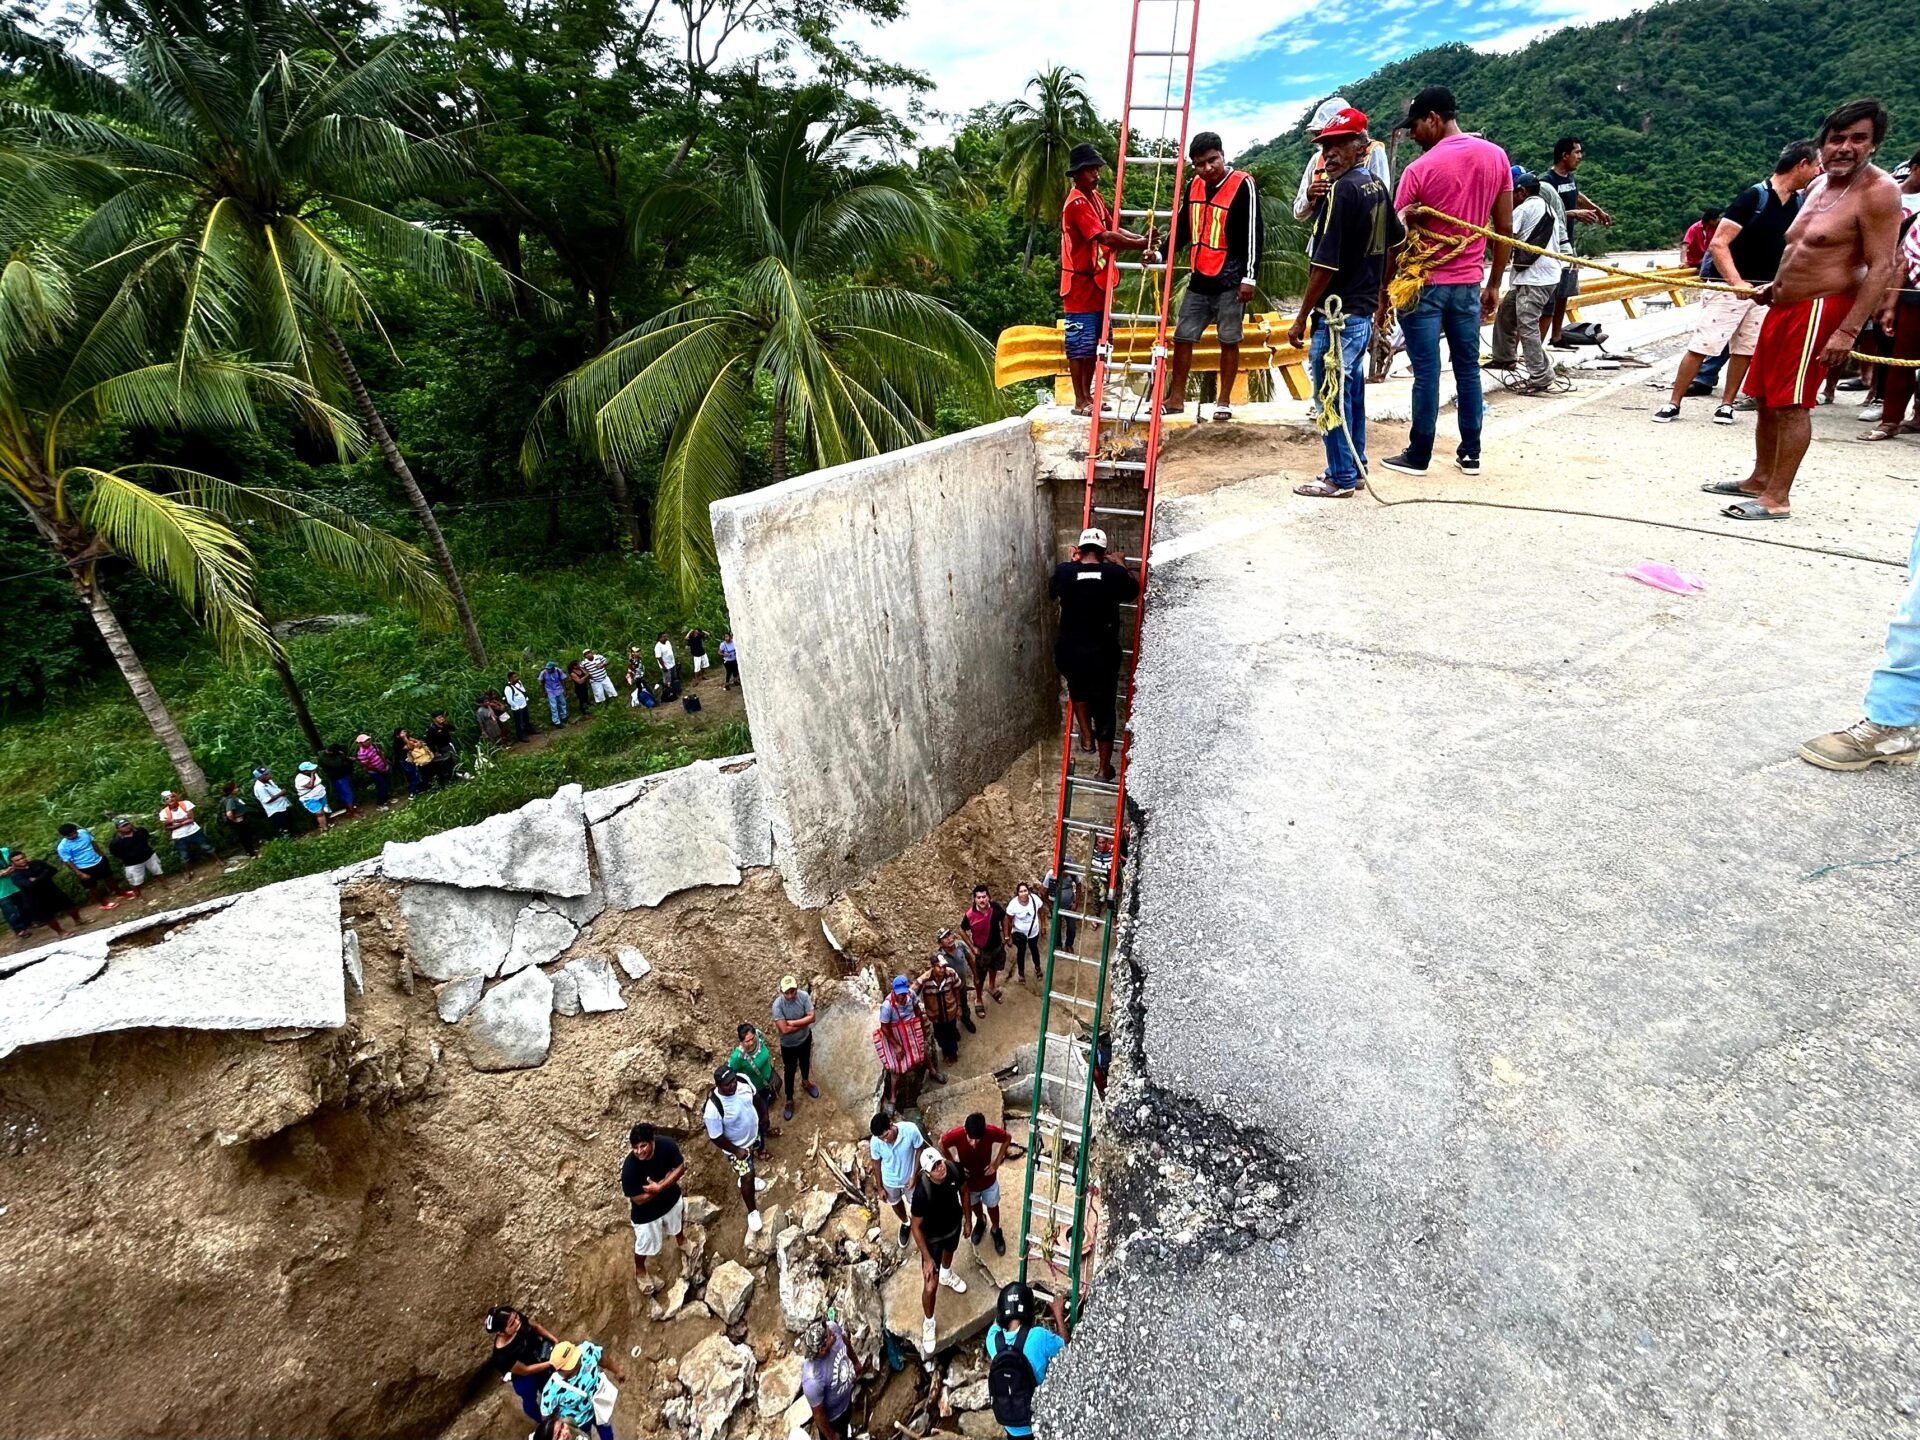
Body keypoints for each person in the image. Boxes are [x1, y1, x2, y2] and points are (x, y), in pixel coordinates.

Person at [1708, 100, 1902, 521]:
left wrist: (1848, 331)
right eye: (1836, 139)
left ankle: (1777, 498)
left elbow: (1882, 265)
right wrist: (1772, 290)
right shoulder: (1816, 187)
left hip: (1820, 309)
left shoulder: (1879, 191)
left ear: (1874, 144)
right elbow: (1798, 252)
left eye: (1858, 139)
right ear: (1822, 144)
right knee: (1763, 396)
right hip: (1783, 304)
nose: (1845, 147)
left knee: (1793, 403)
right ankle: (1759, 478)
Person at [1379, 85, 1512, 478]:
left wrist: (1383, 296)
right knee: (1467, 368)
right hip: (1469, 284)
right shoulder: (1496, 157)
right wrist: (1493, 284)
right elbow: (1503, 229)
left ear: (1433, 119)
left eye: (1416, 126)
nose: (1414, 135)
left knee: (1427, 371)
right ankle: (1470, 452)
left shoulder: (1419, 170)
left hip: (1422, 286)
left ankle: (1418, 455)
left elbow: (1395, 241)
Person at [1657, 142, 1820, 425]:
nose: (1819, 172)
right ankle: (1674, 401)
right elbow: (1719, 243)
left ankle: (1727, 404)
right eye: (1817, 165)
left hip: (1764, 289)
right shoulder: (1753, 197)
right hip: (1730, 286)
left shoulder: (1797, 203)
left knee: (1745, 349)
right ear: (1802, 164)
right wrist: (1736, 282)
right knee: (1703, 343)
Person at [1288, 106, 1405, 497]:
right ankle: (1355, 465)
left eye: (1339, 145)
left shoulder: (1343, 191)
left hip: (1336, 313)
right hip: (1362, 308)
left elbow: (1323, 262)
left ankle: (1339, 476)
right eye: (1326, 147)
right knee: (1351, 391)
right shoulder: (1376, 185)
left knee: (1328, 393)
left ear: (1360, 146)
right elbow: (1395, 243)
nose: (1330, 154)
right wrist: (1379, 294)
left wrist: (1301, 316)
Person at [1168, 131, 1263, 421]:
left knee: (1229, 338)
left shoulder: (1242, 184)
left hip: (1231, 278)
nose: (1207, 168)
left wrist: (1250, 277)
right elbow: (1183, 227)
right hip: (1200, 276)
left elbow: (1253, 232)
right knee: (1183, 336)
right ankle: (1176, 397)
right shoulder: (1193, 186)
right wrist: (1161, 253)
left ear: (1222, 155)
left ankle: (1223, 401)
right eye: (1200, 164)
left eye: (1212, 161)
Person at [1058, 141, 1156, 416]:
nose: (1096, 175)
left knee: (1096, 344)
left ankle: (1089, 396)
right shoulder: (1077, 202)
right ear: (1077, 174)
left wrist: (1140, 238)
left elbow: (1112, 226)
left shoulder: (1095, 198)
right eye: (1090, 171)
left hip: (1096, 281)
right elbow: (1104, 236)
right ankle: (1080, 400)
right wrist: (1139, 245)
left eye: (1097, 170)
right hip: (1079, 284)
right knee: (1080, 345)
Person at [1049, 528, 1139, 781]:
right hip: (1101, 654)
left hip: (1068, 650)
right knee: (1104, 709)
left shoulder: (1065, 571)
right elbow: (1133, 590)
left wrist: (1070, 562)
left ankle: (1086, 738)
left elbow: (1052, 590)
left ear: (1079, 550)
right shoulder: (1114, 573)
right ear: (1104, 553)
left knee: (1077, 688)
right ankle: (1103, 769)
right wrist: (1121, 563)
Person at [1484, 169, 1566, 396]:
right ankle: (1504, 357)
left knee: (1527, 325)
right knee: (1507, 313)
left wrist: (1485, 226)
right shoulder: (1546, 207)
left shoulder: (1526, 208)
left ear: (1520, 192)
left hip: (1535, 279)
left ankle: (1540, 375)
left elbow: (1504, 238)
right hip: (1539, 276)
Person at [1862, 156, 1920, 443]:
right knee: (1902, 362)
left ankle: (1919, 416)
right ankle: (1891, 420)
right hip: (1913, 300)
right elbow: (1901, 261)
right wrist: (1889, 304)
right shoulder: (1916, 220)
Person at [1539, 137, 1612, 348]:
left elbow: (1577, 195)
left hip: (1569, 245)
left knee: (1564, 293)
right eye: (1577, 152)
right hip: (1553, 247)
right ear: (1564, 155)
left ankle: (1557, 337)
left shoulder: (1569, 178)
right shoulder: (1547, 181)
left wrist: (1597, 210)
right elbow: (1546, 212)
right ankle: (1536, 346)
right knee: (1549, 299)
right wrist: (1574, 214)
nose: (1580, 157)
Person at [1292, 95, 1393, 239]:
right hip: (1322, 240)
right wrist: (1309, 195)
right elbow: (1298, 212)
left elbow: (1381, 201)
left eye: (1339, 141)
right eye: (1323, 140)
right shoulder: (1317, 160)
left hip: (1359, 240)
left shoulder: (1373, 151)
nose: (1329, 150)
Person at [984, 1281, 1071, 1440]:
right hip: (1035, 1422)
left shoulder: (993, 1341)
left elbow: (997, 1322)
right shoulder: (1038, 1337)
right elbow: (1065, 1346)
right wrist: (1057, 1312)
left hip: (1009, 1421)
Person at [908, 1147, 969, 1357]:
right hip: (932, 1238)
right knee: (930, 1286)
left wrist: (968, 1219)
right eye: (934, 1167)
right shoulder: (921, 1193)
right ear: (927, 1172)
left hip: (952, 1227)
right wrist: (926, 1258)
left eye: (940, 1163)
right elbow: (915, 1226)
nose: (940, 1168)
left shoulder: (953, 1169)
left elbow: (965, 1190)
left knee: (950, 1252)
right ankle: (929, 1321)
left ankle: (947, 1273)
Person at [621, 1122, 686, 1295]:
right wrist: (661, 1188)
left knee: (677, 1222)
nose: (639, 1151)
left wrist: (661, 1186)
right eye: (635, 1148)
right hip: (646, 1214)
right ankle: (640, 1270)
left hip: (671, 1200)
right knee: (644, 1244)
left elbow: (681, 1167)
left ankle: (683, 1242)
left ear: (652, 1141)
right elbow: (638, 1199)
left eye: (643, 1146)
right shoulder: (630, 1167)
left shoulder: (667, 1145)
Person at [702, 1066, 766, 1235]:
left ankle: (747, 1180)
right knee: (747, 1177)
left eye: (733, 1081)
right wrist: (736, 1150)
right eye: (727, 1085)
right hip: (737, 1148)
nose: (733, 1086)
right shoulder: (713, 1109)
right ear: (718, 1085)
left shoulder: (742, 1080)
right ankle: (752, 1211)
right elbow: (716, 1137)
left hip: (753, 1135)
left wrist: (764, 1116)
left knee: (752, 1161)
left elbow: (755, 1097)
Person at [941, 1110, 1012, 1256]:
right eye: (970, 1139)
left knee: (992, 1205)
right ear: (965, 1130)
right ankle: (980, 1221)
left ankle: (996, 1229)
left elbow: (1007, 1138)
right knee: (974, 1204)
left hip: (988, 1179)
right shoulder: (956, 1134)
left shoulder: (990, 1132)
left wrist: (996, 1162)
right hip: (969, 1183)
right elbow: (942, 1144)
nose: (974, 1143)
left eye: (977, 1140)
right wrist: (954, 1165)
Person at [538, 1338, 624, 1440]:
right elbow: (546, 1417)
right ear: (559, 1369)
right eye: (571, 1364)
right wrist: (559, 1430)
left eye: (575, 1357)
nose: (577, 1362)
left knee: (607, 1434)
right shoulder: (551, 1390)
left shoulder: (587, 1351)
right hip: (579, 1422)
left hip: (600, 1406)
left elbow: (602, 1359)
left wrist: (617, 1371)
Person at [485, 1306, 559, 1422]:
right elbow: (525, 1370)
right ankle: (544, 1421)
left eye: (516, 1317)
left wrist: (554, 1340)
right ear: (501, 1332)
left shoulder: (518, 1320)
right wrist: (551, 1363)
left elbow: (535, 1327)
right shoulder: (502, 1355)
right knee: (529, 1400)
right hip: (525, 1377)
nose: (517, 1322)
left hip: (539, 1357)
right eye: (511, 1324)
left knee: (548, 1385)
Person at [797, 1317, 866, 1440]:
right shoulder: (813, 1380)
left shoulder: (832, 1328)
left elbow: (846, 1342)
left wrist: (855, 1363)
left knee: (847, 1422)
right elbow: (819, 1415)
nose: (832, 1332)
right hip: (834, 1419)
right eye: (829, 1336)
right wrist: (832, 1436)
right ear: (822, 1349)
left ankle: (848, 1431)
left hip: (846, 1402)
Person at [867, 1111, 926, 1250]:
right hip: (890, 1180)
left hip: (909, 1178)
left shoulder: (910, 1129)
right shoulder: (876, 1141)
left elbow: (919, 1149)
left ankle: (921, 1225)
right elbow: (876, 1163)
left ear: (891, 1125)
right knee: (895, 1203)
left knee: (918, 1203)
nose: (885, 1140)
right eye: (882, 1138)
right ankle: (906, 1223)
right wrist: (880, 1187)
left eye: (886, 1135)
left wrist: (914, 1175)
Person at [876, 974, 931, 1110]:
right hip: (896, 1034)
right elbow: (884, 1027)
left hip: (911, 1029)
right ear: (894, 991)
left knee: (922, 1051)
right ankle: (893, 1097)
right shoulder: (887, 1007)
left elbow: (917, 1011)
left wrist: (922, 1029)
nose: (902, 997)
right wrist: (896, 1046)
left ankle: (933, 1071)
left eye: (903, 993)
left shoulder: (911, 995)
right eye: (899, 994)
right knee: (896, 1067)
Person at [771, 974, 821, 1123]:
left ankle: (806, 1082)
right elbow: (784, 1030)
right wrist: (803, 1023)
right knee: (790, 1070)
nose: (790, 995)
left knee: (805, 1062)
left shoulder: (803, 996)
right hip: (789, 1045)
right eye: (787, 992)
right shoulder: (777, 1006)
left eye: (792, 991)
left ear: (796, 989)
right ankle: (789, 1098)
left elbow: (812, 1017)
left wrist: (792, 1023)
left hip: (805, 1039)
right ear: (781, 991)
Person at [727, 1022, 781, 1155]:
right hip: (756, 1091)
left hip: (768, 1078)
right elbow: (731, 1073)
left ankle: (767, 1130)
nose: (751, 1043)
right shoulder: (738, 1057)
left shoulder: (758, 1036)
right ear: (741, 1041)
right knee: (759, 1119)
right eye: (747, 1041)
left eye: (752, 1039)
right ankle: (760, 1148)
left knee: (768, 1106)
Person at [914, 947, 966, 1076]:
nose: (942, 970)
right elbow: (911, 992)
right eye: (939, 967)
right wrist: (921, 979)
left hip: (950, 1013)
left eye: (943, 967)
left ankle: (952, 1055)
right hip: (936, 1017)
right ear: (933, 967)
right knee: (939, 1036)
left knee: (951, 1035)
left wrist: (959, 1007)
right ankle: (946, 1049)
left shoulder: (951, 974)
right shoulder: (926, 981)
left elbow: (957, 990)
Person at [57, 822, 132, 909]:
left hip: (98, 860)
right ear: (65, 836)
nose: (74, 835)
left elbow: (93, 843)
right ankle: (104, 904)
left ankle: (120, 893)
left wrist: (102, 855)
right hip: (84, 867)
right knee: (92, 887)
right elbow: (68, 861)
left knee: (109, 878)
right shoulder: (62, 847)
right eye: (70, 835)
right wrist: (79, 873)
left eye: (75, 833)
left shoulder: (83, 833)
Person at [11, 850, 83, 935]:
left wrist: (37, 878)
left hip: (52, 890)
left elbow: (53, 870)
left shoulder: (36, 863)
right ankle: (61, 932)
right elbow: (30, 885)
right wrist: (44, 874)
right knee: (48, 917)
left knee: (71, 906)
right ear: (12, 863)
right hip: (36, 898)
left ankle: (79, 921)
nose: (22, 860)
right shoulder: (15, 876)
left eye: (22, 858)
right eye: (18, 860)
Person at [107, 817, 166, 895]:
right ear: (118, 829)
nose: (126, 827)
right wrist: (129, 857)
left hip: (149, 856)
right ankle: (138, 894)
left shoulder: (140, 831)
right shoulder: (116, 842)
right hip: (132, 863)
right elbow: (116, 853)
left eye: (127, 824)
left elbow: (147, 839)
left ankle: (165, 884)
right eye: (123, 826)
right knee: (135, 881)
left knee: (158, 871)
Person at [159, 790, 217, 867]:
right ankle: (187, 872)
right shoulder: (163, 813)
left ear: (176, 797)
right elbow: (167, 828)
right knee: (184, 855)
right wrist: (184, 821)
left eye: (172, 796)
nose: (170, 799)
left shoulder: (185, 803)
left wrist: (175, 822)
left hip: (194, 831)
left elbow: (191, 819)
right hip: (179, 836)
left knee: (206, 846)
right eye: (167, 798)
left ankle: (218, 861)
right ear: (164, 802)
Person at [1004, 880, 1045, 981]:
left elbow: (1041, 912)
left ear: (1029, 891)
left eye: (1025, 890)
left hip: (1033, 932)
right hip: (1020, 934)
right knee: (1021, 952)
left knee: (1034, 949)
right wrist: (1007, 936)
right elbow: (1008, 921)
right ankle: (1021, 973)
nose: (1023, 893)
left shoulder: (1035, 900)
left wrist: (1043, 926)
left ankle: (1037, 968)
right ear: (1017, 893)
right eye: (1021, 891)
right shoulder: (1013, 905)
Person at [318, 743, 360, 817]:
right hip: (338, 777)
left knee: (344, 794)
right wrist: (341, 756)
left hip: (340, 776)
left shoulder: (331, 755)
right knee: (347, 794)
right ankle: (352, 811)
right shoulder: (325, 758)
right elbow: (337, 764)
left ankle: (349, 810)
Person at [216, 783, 257, 857]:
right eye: (235, 788)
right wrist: (235, 819)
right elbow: (229, 813)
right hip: (238, 821)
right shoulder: (230, 800)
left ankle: (250, 850)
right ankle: (250, 852)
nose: (237, 789)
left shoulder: (233, 797)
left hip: (241, 819)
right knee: (245, 837)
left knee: (246, 835)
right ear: (231, 791)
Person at [252, 766, 294, 838]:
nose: (269, 774)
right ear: (260, 777)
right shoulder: (259, 787)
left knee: (289, 825)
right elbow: (266, 800)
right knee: (283, 829)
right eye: (266, 774)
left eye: (268, 773)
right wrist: (280, 794)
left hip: (283, 806)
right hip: (275, 810)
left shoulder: (270, 781)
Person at [0, 846, 30, 938]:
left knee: (24, 905)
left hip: (15, 884)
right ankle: (19, 929)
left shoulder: (4, 851)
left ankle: (29, 922)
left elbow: (15, 862)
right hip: (2, 891)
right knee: (10, 911)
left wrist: (12, 868)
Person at [354, 734, 392, 805]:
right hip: (375, 772)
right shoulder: (362, 753)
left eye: (368, 740)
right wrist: (379, 770)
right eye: (365, 741)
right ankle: (380, 803)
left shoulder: (372, 746)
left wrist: (386, 764)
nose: (368, 742)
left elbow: (380, 754)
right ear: (360, 743)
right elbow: (367, 766)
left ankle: (386, 799)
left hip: (382, 767)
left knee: (386, 783)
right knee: (381, 785)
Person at [425, 711, 459, 787]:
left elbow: (453, 729)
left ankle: (457, 775)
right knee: (449, 762)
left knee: (455, 759)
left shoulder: (444, 725)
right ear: (434, 719)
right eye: (439, 717)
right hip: (442, 748)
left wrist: (447, 724)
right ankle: (451, 779)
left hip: (449, 744)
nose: (442, 719)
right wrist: (434, 752)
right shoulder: (432, 729)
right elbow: (430, 742)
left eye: (442, 717)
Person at [394, 728, 431, 796]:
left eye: (404, 731)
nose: (405, 733)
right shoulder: (397, 743)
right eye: (402, 733)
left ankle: (419, 789)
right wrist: (405, 739)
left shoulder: (407, 737)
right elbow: (410, 747)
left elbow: (417, 741)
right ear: (398, 735)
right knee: (414, 776)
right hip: (405, 761)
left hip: (412, 759)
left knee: (417, 774)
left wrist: (418, 742)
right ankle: (412, 793)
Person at [294, 762, 331, 829]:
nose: (313, 770)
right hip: (309, 798)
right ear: (305, 771)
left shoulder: (312, 773)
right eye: (311, 769)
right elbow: (310, 786)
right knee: (319, 813)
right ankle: (324, 828)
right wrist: (312, 776)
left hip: (321, 794)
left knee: (324, 810)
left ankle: (324, 824)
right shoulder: (300, 778)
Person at [504, 671, 532, 740]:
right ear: (510, 679)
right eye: (515, 677)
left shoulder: (519, 682)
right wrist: (516, 707)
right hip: (517, 708)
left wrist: (526, 698)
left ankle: (529, 730)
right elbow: (509, 700)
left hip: (524, 705)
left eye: (516, 676)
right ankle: (521, 736)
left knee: (526, 719)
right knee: (519, 722)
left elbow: (523, 690)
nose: (517, 678)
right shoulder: (508, 688)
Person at [541, 661, 569, 728]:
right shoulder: (544, 673)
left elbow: (562, 680)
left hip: (559, 689)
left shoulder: (558, 671)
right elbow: (542, 682)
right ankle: (556, 722)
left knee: (563, 703)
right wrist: (544, 691)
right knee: (553, 706)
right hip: (550, 691)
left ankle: (564, 716)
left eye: (550, 669)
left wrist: (565, 690)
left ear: (553, 668)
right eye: (547, 668)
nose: (548, 670)